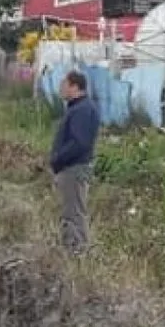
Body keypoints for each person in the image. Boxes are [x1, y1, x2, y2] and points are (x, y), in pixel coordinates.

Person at [50, 69, 100, 254]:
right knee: (70, 211)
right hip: (70, 169)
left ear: (74, 86)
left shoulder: (83, 110)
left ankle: (77, 254)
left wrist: (58, 159)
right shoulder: (78, 108)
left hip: (74, 169)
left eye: (64, 85)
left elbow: (79, 143)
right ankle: (74, 251)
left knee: (74, 213)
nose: (61, 89)